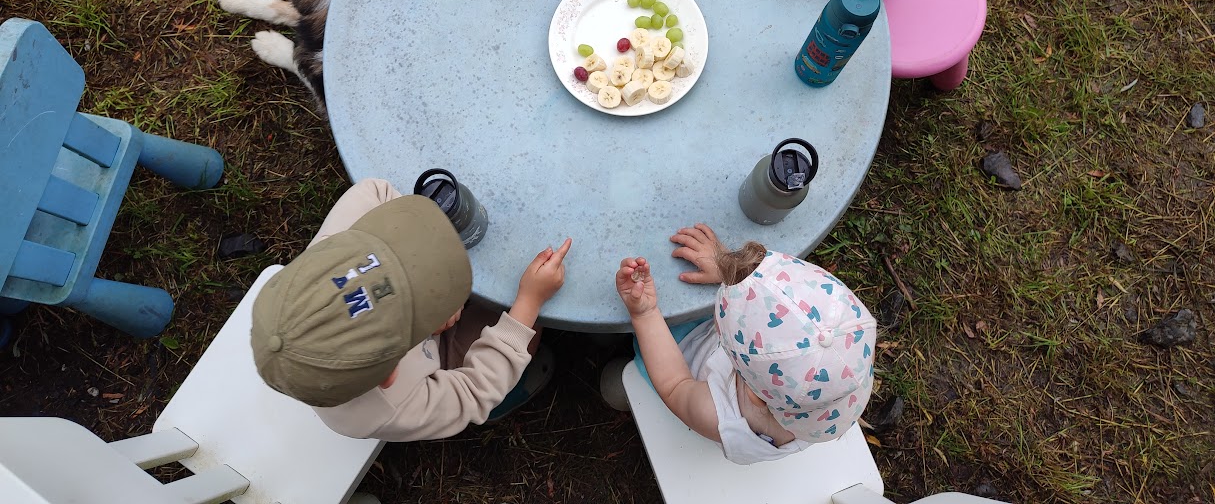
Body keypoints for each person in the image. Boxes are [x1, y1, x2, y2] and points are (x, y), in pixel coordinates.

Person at [251, 177, 572, 440]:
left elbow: (377, 191)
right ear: (389, 374)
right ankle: (507, 397)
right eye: (416, 314)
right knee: (523, 321)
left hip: (425, 340)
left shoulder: (330, 257)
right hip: (441, 363)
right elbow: (474, 392)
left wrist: (429, 305)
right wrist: (529, 301)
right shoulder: (388, 408)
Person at [614, 223, 876, 464]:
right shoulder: (832, 396)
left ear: (754, 395)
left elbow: (674, 385)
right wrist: (724, 266)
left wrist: (645, 314)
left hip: (680, 349)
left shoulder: (720, 416)